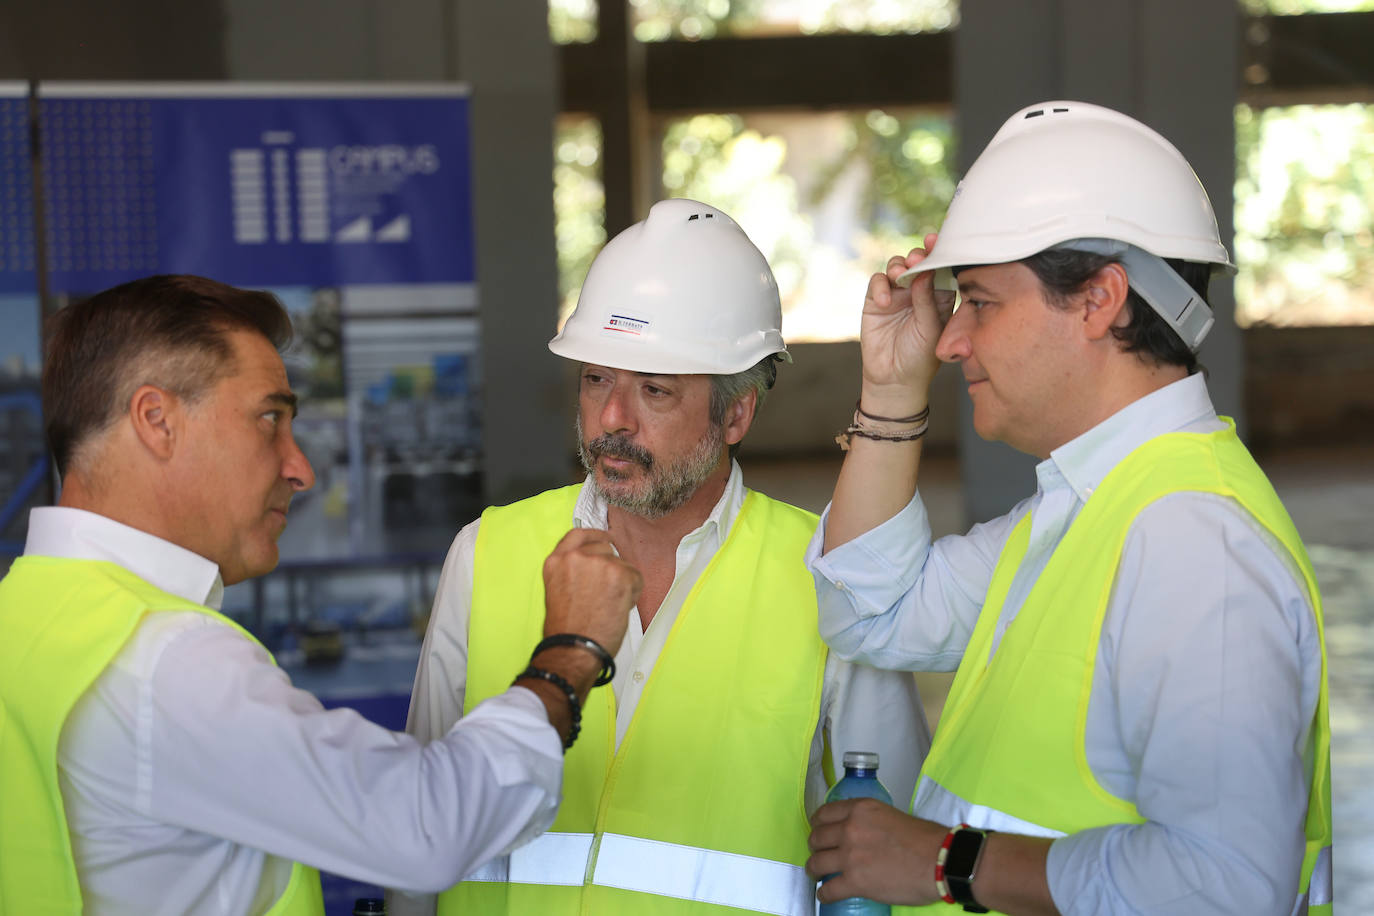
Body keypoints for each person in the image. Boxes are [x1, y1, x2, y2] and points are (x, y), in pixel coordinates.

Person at [803, 101, 1331, 915]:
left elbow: (1225, 887)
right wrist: (891, 390)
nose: (950, 341)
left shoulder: (1192, 539)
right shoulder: (1084, 510)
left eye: (979, 301)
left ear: (1098, 300)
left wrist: (947, 862)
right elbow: (871, 613)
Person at [0, 274, 641, 914]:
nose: (299, 468)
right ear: (156, 421)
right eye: (268, 420)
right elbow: (427, 826)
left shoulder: (26, 616)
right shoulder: (167, 661)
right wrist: (571, 652)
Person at [390, 198, 930, 916]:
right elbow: (420, 823)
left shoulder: (829, 576)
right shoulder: (489, 551)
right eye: (596, 380)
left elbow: (898, 851)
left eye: (654, 390)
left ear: (736, 413)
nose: (612, 419)